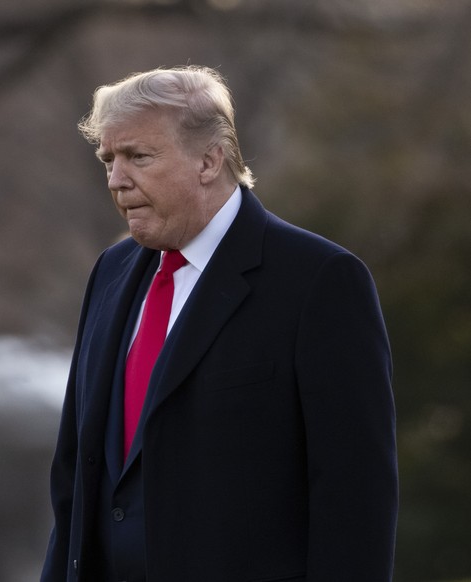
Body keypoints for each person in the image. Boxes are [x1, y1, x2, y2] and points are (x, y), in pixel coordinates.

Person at [40, 66, 398, 582]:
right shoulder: (110, 273)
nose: (117, 180)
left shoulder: (319, 280)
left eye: (138, 156)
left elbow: (355, 497)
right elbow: (74, 480)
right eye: (108, 160)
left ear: (210, 160)